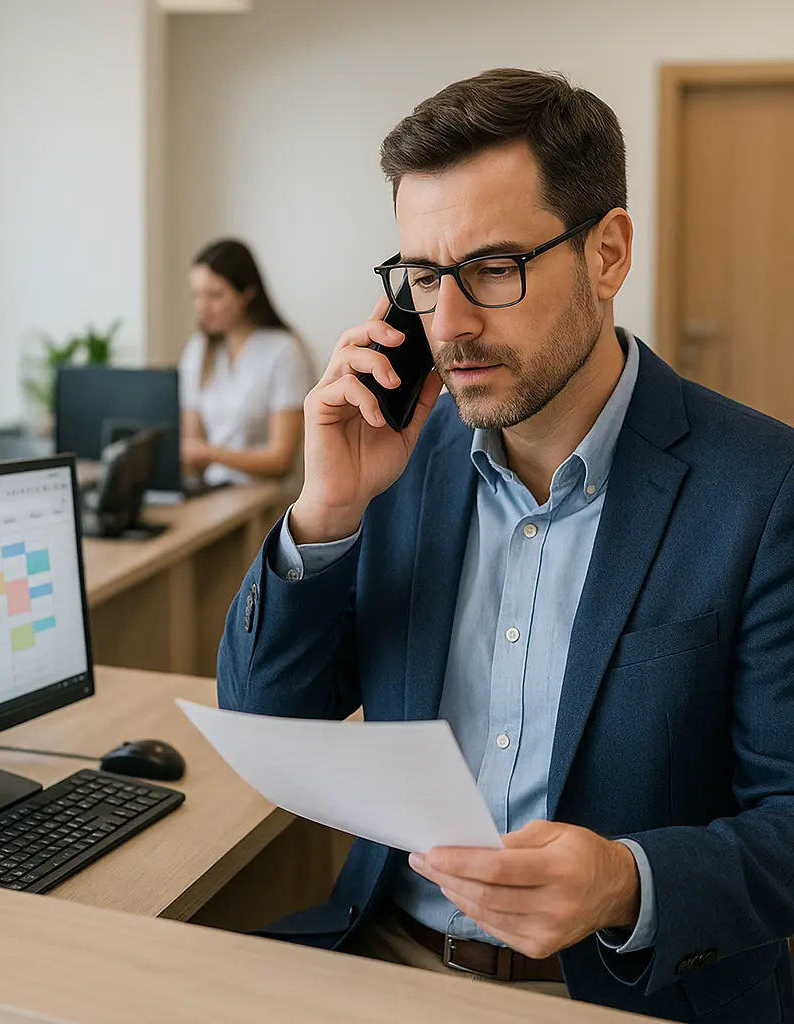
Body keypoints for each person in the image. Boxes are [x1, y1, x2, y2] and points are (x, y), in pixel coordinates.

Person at [217, 68, 794, 1023]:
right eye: (422, 277)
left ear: (608, 253)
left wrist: (625, 881)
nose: (448, 324)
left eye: (492, 268)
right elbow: (271, 720)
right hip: (385, 956)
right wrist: (326, 511)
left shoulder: (762, 488)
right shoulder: (398, 465)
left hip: (625, 994)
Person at [179, 239, 312, 487]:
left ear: (247, 294)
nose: (202, 308)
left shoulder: (283, 351)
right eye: (196, 295)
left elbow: (281, 460)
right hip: (212, 491)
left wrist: (210, 454)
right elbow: (191, 446)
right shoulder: (198, 350)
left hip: (262, 499)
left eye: (215, 295)